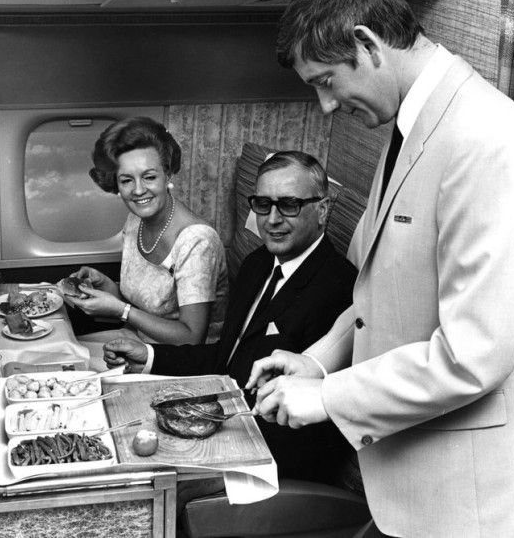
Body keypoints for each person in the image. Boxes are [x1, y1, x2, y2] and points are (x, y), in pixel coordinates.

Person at [246, 0, 514, 538]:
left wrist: (327, 396)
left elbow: (474, 354)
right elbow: (376, 289)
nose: (325, 106)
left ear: (367, 44)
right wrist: (317, 359)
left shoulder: (487, 138)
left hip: (465, 501)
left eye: (326, 81)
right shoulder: (411, 128)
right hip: (407, 479)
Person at [104, 151, 358, 483]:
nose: (272, 219)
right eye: (263, 204)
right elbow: (227, 359)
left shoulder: (338, 288)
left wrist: (199, 448)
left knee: (131, 476)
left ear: (322, 210)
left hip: (272, 462)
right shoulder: (258, 264)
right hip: (225, 422)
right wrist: (150, 357)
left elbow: (312, 430)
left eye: (289, 205)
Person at [64, 116, 228, 354]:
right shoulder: (135, 221)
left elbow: (192, 338)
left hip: (184, 360)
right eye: (126, 180)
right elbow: (145, 306)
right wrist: (106, 285)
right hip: (138, 341)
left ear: (167, 174)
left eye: (149, 177)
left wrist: (121, 311)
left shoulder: (197, 241)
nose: (139, 190)